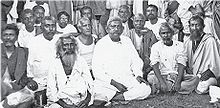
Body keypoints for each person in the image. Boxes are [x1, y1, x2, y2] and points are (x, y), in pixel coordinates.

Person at [91, 17, 151, 107]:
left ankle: (117, 96)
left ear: (122, 29)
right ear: (107, 29)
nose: (116, 29)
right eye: (113, 26)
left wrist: (138, 74)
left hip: (127, 79)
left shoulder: (127, 41)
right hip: (109, 82)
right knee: (97, 89)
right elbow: (97, 71)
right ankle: (122, 95)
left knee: (146, 89)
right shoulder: (101, 44)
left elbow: (136, 60)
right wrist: (115, 83)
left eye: (119, 27)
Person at [148, 22, 199, 94]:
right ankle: (175, 87)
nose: (166, 35)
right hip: (162, 75)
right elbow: (154, 64)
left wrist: (178, 81)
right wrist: (162, 82)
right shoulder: (155, 46)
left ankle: (167, 87)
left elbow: (182, 64)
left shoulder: (180, 45)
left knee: (195, 78)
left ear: (172, 33)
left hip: (177, 75)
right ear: (160, 35)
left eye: (168, 33)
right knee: (151, 78)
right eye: (163, 33)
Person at [47, 35, 93, 108]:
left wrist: (86, 101)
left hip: (81, 101)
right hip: (60, 103)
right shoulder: (54, 64)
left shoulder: (81, 61)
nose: (69, 48)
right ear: (60, 47)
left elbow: (90, 84)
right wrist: (66, 106)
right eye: (66, 45)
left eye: (71, 44)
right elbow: (51, 91)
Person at [27, 16, 61, 106]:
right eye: (47, 26)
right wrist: (30, 79)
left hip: (58, 82)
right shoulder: (33, 42)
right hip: (38, 82)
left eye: (53, 26)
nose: (50, 29)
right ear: (41, 27)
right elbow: (28, 63)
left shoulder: (60, 40)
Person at [1, 23, 37, 108]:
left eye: (11, 35)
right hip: (1, 88)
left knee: (29, 98)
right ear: (1, 37)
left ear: (16, 37)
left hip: (16, 89)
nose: (8, 38)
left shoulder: (23, 52)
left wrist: (29, 81)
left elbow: (25, 75)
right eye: (5, 35)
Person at [184, 15, 220, 94]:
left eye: (197, 25)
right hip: (192, 75)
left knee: (201, 87)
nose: (194, 28)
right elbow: (185, 59)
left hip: (206, 76)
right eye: (192, 25)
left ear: (203, 26)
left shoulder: (210, 40)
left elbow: (214, 66)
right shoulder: (188, 41)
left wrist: (200, 76)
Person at [128, 13, 157, 79]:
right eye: (136, 21)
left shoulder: (150, 33)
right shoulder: (129, 33)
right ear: (133, 22)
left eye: (141, 21)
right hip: (132, 60)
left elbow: (154, 49)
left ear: (144, 22)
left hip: (146, 61)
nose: (139, 23)